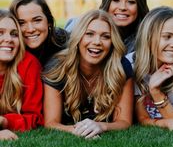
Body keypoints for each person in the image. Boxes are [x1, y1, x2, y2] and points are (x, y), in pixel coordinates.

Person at [43, 9, 133, 139]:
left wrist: (101, 126)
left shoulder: (120, 66)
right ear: (79, 37)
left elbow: (124, 121)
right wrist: (81, 130)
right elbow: (51, 123)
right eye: (89, 34)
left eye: (105, 36)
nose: (97, 42)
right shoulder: (58, 66)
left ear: (112, 42)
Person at [134, 6, 173, 131]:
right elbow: (142, 118)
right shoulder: (133, 64)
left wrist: (156, 92)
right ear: (148, 37)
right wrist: (167, 123)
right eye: (167, 36)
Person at [65, 0, 149, 54]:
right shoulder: (79, 26)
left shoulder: (148, 39)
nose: (123, 7)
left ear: (140, 6)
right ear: (107, 2)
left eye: (131, 2)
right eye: (116, 0)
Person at [0, 10, 43, 139]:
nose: (8, 39)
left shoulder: (28, 64)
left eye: (14, 34)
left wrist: (5, 121)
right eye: (0, 33)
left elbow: (35, 117)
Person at [10, 0, 68, 65]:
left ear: (49, 22)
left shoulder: (67, 45)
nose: (30, 29)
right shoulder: (8, 51)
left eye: (37, 20)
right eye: (21, 23)